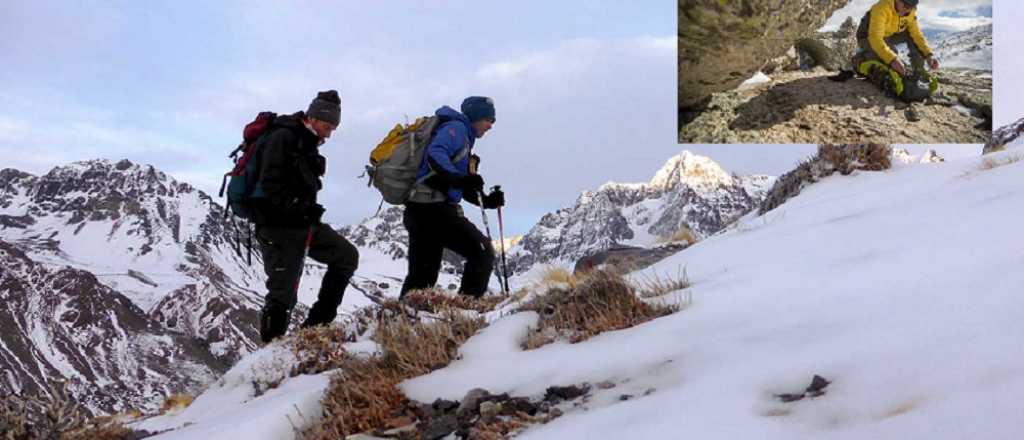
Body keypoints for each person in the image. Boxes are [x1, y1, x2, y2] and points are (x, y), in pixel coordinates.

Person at [250, 90, 359, 343]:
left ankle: (314, 331)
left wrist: (307, 211)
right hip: (277, 227)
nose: (329, 133)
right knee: (283, 294)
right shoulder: (283, 137)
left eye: (333, 127)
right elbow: (271, 185)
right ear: (313, 117)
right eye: (327, 125)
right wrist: (302, 208)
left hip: (301, 224)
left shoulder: (306, 142)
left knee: (346, 256)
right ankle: (269, 356)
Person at [400, 96, 504, 299]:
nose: (491, 125)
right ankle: (466, 311)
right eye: (488, 120)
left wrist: (488, 200)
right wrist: (460, 179)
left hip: (420, 209)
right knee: (482, 252)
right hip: (433, 210)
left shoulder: (462, 136)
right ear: (476, 117)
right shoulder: (456, 129)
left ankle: (400, 320)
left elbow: (457, 186)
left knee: (422, 276)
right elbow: (435, 154)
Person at [854, 0, 939, 79]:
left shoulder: (910, 12)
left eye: (911, 7)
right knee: (889, 60)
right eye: (905, 6)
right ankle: (859, 59)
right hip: (867, 37)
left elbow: (917, 35)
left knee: (911, 35)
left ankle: (919, 71)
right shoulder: (881, 8)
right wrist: (892, 59)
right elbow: (875, 38)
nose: (907, 10)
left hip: (888, 35)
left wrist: (929, 56)